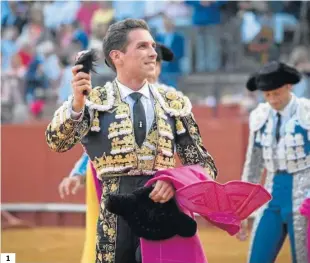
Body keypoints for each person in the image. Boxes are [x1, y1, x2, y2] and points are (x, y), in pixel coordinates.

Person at [46, 18, 217, 263]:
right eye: (142, 47)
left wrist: (175, 182)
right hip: (113, 223)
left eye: (152, 46)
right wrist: (75, 105)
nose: (152, 53)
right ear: (117, 56)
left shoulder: (173, 103)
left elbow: (205, 166)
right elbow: (56, 143)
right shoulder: (92, 102)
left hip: (162, 212)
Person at [57, 42, 184, 263]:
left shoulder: (172, 100)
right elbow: (99, 145)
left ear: (159, 67)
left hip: (158, 182)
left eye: (154, 63)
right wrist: (77, 174)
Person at [237, 61, 310, 263]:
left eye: (276, 93)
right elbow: (253, 165)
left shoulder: (307, 113)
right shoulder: (261, 116)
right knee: (257, 258)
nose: (272, 100)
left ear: (289, 86)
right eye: (267, 95)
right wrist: (242, 209)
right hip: (271, 195)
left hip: (305, 194)